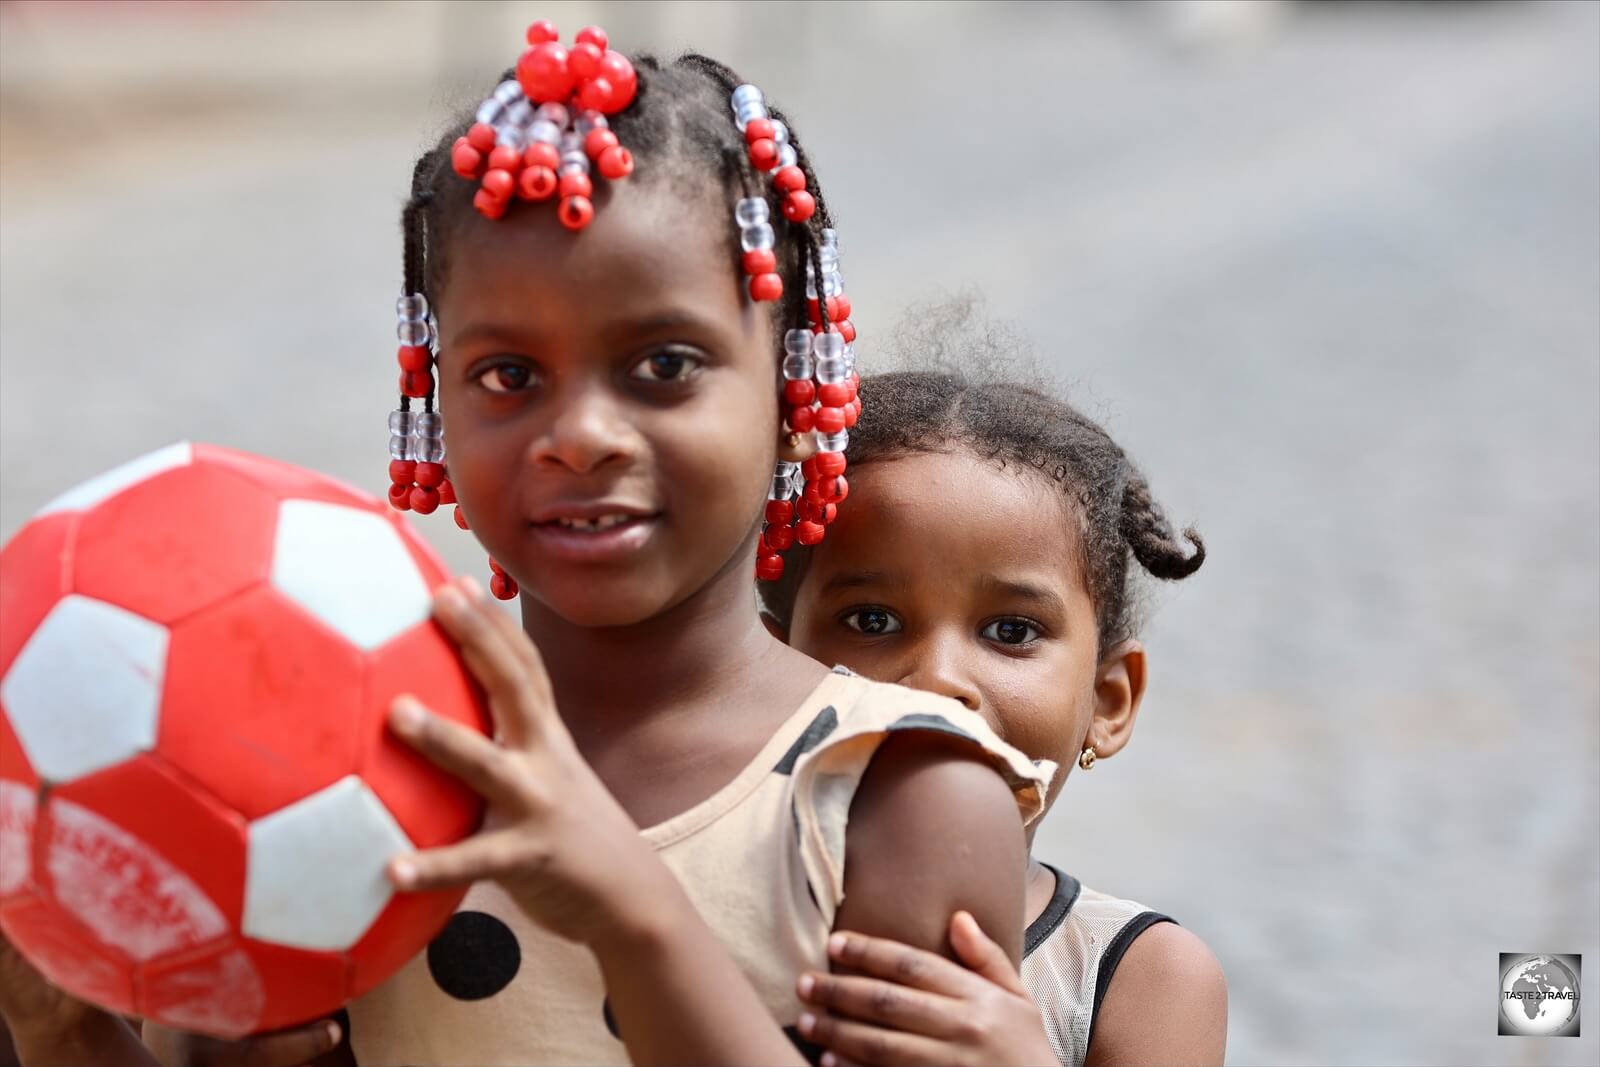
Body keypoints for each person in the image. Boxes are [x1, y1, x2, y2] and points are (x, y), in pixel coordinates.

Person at [0, 22, 1048, 1067]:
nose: (580, 435)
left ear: (792, 382)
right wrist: (68, 1033)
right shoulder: (339, 753)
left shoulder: (901, 789)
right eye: (507, 375)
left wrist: (628, 909)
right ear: (433, 393)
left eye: (666, 364)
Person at [759, 335, 1229, 1066]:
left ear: (1107, 701)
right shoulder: (693, 908)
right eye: (872, 620)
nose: (940, 679)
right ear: (771, 662)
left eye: (1011, 630)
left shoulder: (1139, 979)